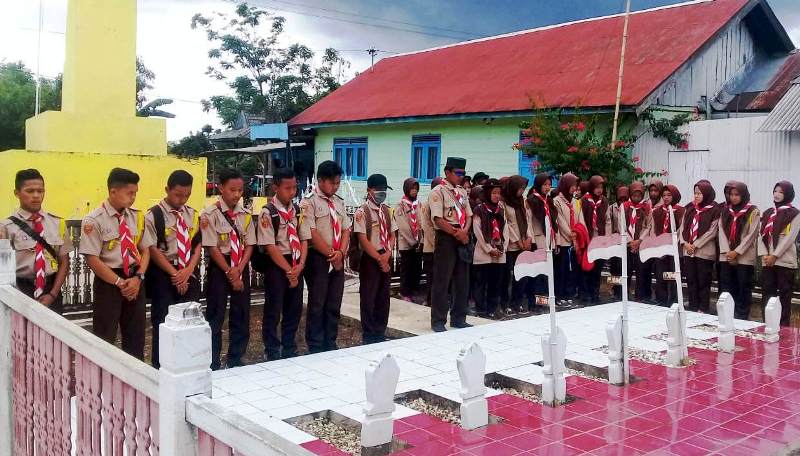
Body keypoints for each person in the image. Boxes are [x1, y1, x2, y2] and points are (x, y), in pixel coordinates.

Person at [80, 168, 151, 360]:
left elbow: (145, 250)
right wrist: (119, 282)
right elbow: (92, 258)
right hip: (109, 281)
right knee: (104, 335)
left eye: (135, 193)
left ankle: (134, 374)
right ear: (113, 191)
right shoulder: (93, 220)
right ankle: (102, 374)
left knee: (136, 334)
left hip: (135, 279)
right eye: (129, 193)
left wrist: (138, 277)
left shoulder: (137, 217)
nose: (133, 197)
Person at [144, 170, 202, 368]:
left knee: (190, 320)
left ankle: (186, 363)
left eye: (187, 195)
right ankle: (160, 366)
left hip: (188, 271)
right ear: (167, 189)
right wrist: (175, 274)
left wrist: (188, 270)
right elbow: (152, 249)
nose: (182, 200)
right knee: (163, 321)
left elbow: (197, 245)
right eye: (178, 195)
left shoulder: (192, 214)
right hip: (164, 272)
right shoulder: (154, 215)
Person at [201, 168, 256, 369]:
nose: (236, 194)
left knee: (241, 313)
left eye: (240, 190)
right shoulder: (210, 214)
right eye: (232, 190)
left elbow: (250, 244)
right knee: (215, 314)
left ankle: (236, 358)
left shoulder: (245, 215)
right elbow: (212, 247)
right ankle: (213, 361)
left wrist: (239, 269)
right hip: (220, 267)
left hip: (240, 265)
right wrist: (229, 272)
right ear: (221, 188)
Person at [0, 169, 72, 314]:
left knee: (53, 328)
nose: (36, 196)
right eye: (30, 191)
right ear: (17, 193)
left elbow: (64, 262)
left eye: (40, 191)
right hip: (20, 290)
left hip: (51, 290)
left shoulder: (57, 223)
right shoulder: (6, 227)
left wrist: (52, 294)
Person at [258, 168, 309, 360]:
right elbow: (270, 246)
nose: (292, 192)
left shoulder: (298, 211)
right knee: (274, 308)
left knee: (294, 308)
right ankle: (271, 349)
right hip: (278, 264)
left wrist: (300, 265)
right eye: (288, 188)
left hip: (296, 261)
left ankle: (289, 346)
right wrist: (289, 271)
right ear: (275, 188)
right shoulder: (268, 212)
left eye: (295, 187)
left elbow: (304, 239)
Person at [300, 160, 351, 352]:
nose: (335, 186)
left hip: (337, 257)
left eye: (338, 182)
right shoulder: (309, 202)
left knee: (334, 302)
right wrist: (331, 254)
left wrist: (341, 253)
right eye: (332, 182)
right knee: (317, 302)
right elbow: (311, 232)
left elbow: (346, 229)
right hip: (318, 258)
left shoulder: (339, 201)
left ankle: (330, 341)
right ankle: (315, 344)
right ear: (320, 180)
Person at [429, 157, 473, 332]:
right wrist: (457, 233)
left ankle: (459, 318)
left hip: (462, 236)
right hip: (447, 237)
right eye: (458, 173)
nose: (461, 176)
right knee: (442, 279)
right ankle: (438, 320)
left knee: (462, 280)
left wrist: (465, 232)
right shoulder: (438, 191)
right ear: (447, 172)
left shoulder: (462, 192)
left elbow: (468, 215)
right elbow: (438, 219)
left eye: (463, 173)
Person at [354, 174, 397, 343]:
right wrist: (380, 259)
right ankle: (369, 335)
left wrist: (388, 253)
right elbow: (363, 240)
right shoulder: (362, 212)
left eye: (384, 189)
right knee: (368, 297)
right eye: (378, 189)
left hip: (385, 254)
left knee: (383, 297)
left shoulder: (387, 211)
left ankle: (380, 332)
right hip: (371, 258)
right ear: (369, 190)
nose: (382, 192)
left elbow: (392, 235)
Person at [758, 181, 799, 326]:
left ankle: (783, 327)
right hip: (767, 261)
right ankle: (767, 325)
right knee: (767, 295)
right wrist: (764, 255)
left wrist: (774, 255)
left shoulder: (794, 214)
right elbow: (760, 235)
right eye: (775, 191)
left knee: (784, 297)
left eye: (781, 192)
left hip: (784, 262)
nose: (777, 194)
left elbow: (790, 237)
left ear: (788, 194)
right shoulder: (768, 213)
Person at [718, 181, 759, 320]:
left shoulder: (753, 211)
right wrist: (727, 251)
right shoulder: (725, 211)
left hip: (744, 257)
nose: (734, 197)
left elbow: (752, 235)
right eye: (731, 194)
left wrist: (736, 252)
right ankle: (728, 315)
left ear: (744, 195)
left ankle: (742, 316)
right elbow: (721, 231)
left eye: (737, 195)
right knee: (727, 286)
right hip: (726, 256)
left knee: (743, 286)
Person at [680, 180, 720, 313]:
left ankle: (703, 308)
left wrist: (695, 245)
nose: (696, 196)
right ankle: (693, 307)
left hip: (704, 252)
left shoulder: (714, 210)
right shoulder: (690, 208)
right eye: (695, 193)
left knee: (703, 281)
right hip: (688, 251)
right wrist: (685, 243)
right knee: (691, 280)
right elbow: (682, 228)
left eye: (699, 193)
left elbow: (712, 231)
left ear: (707, 194)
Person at [473, 179, 510, 318]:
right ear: (488, 193)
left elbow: (505, 230)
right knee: (481, 282)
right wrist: (489, 249)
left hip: (499, 252)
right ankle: (480, 309)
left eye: (498, 193)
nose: (496, 196)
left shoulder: (501, 209)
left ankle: (492, 308)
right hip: (484, 253)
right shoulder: (479, 209)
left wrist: (503, 248)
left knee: (496, 283)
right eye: (494, 193)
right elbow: (478, 231)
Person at [576, 175, 611, 304]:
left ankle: (595, 294)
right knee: (586, 268)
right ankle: (584, 294)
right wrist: (585, 237)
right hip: (587, 239)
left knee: (597, 269)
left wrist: (606, 237)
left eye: (601, 187)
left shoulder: (604, 201)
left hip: (599, 240)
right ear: (591, 187)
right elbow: (580, 219)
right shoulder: (584, 200)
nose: (599, 190)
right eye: (596, 187)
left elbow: (607, 220)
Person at [650, 185, 685, 307]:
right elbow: (653, 229)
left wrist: (672, 242)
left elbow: (682, 229)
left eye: (669, 195)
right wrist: (658, 243)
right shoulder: (657, 211)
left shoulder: (681, 211)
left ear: (674, 196)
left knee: (673, 275)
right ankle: (662, 300)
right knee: (661, 275)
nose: (666, 198)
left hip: (674, 249)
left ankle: (674, 301)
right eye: (664, 195)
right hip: (661, 249)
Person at [503, 175, 532, 314]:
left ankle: (518, 302)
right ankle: (506, 303)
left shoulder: (522, 202)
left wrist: (529, 238)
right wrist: (517, 241)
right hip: (511, 245)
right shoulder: (504, 203)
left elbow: (528, 221)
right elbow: (507, 224)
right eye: (520, 188)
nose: (522, 191)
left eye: (523, 188)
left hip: (524, 243)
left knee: (522, 275)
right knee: (508, 276)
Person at [526, 172, 554, 299]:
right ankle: (534, 300)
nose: (547, 187)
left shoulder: (549, 200)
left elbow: (553, 221)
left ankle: (544, 298)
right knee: (536, 272)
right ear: (538, 185)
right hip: (537, 239)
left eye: (549, 185)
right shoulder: (531, 200)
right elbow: (528, 222)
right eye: (545, 185)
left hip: (548, 239)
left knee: (546, 271)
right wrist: (532, 240)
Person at [553, 173, 579, 306]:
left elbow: (579, 218)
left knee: (571, 270)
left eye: (575, 185)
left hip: (574, 241)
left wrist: (578, 234)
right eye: (572, 185)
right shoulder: (557, 201)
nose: (574, 188)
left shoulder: (575, 201)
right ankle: (559, 295)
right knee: (561, 270)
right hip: (563, 241)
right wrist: (570, 234)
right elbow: (560, 221)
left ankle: (569, 294)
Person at [395, 178, 422, 302]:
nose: (414, 191)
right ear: (406, 189)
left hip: (418, 244)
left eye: (416, 189)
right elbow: (403, 226)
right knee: (406, 269)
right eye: (412, 188)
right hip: (407, 244)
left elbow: (421, 222)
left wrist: (420, 240)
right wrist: (413, 241)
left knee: (416, 268)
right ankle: (405, 292)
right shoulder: (400, 205)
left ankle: (414, 290)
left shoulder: (419, 204)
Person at [624, 182, 652, 302]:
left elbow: (648, 226)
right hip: (627, 244)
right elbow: (622, 226)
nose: (636, 198)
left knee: (641, 271)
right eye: (634, 195)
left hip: (641, 244)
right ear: (630, 194)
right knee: (627, 270)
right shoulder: (624, 206)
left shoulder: (646, 208)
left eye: (639, 196)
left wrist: (639, 240)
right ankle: (624, 295)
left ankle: (639, 296)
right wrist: (630, 241)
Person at [420, 177, 443, 306]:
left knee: (441, 276)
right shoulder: (427, 205)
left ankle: (439, 299)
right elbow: (427, 228)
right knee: (431, 275)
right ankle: (429, 299)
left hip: (442, 247)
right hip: (431, 247)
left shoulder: (441, 203)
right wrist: (436, 244)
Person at [609, 185, 629, 299]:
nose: (622, 201)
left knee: (625, 267)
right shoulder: (612, 208)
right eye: (620, 199)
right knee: (615, 268)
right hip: (615, 241)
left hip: (626, 241)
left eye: (624, 199)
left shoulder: (630, 207)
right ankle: (615, 290)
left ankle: (624, 291)